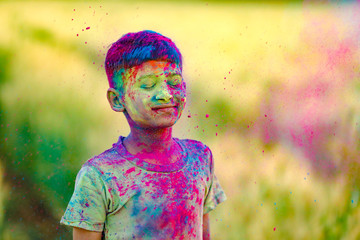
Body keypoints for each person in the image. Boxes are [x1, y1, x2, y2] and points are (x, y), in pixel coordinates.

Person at [60, 30, 226, 240]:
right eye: (148, 85)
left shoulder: (200, 159)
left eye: (174, 81)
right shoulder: (100, 176)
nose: (166, 94)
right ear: (117, 100)